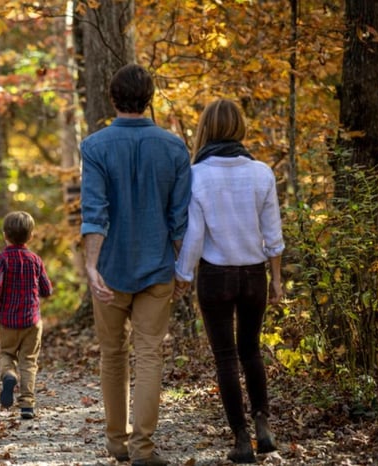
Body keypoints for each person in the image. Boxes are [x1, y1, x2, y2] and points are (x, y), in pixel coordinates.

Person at [80, 63, 192, 466]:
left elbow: (95, 212)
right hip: (157, 266)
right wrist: (184, 267)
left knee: (113, 354)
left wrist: (92, 267)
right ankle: (143, 449)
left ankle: (116, 442)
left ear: (112, 99)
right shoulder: (174, 147)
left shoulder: (95, 147)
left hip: (110, 269)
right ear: (150, 98)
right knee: (149, 356)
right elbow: (180, 219)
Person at [174, 98, 284, 464]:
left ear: (207, 128)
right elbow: (274, 235)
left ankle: (240, 439)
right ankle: (263, 424)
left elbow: (194, 235)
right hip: (254, 273)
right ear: (240, 127)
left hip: (216, 275)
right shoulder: (262, 172)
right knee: (251, 350)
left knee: (226, 358)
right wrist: (277, 280)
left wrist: (183, 276)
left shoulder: (198, 175)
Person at [0, 211, 53, 420]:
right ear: (31, 236)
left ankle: (9, 375)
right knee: (29, 361)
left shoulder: (2, 258)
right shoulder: (35, 260)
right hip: (32, 320)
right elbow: (46, 289)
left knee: (7, 354)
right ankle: (27, 405)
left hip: (8, 321)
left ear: (5, 235)